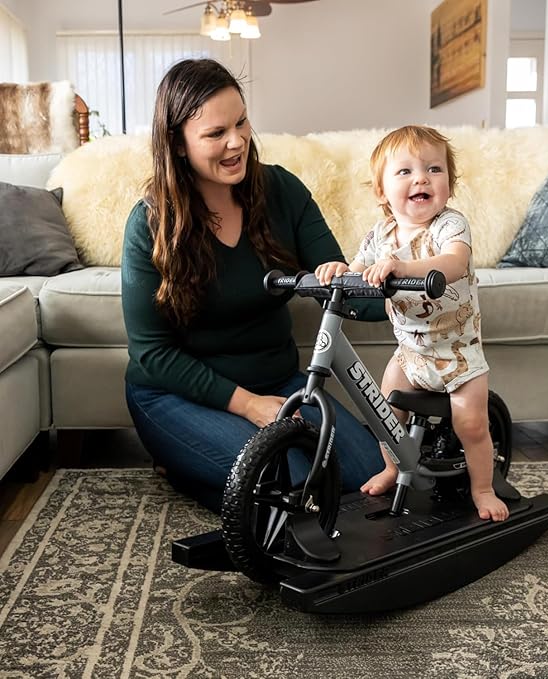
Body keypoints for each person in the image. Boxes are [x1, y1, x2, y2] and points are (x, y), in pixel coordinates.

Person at [121, 58, 383, 513]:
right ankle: (185, 465)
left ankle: (208, 470)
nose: (237, 141)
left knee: (368, 476)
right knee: (291, 487)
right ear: (178, 144)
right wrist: (247, 406)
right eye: (216, 133)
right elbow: (152, 354)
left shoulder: (282, 190)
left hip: (278, 382)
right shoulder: (149, 224)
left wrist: (398, 289)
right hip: (177, 395)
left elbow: (340, 285)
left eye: (241, 122)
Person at [316, 125, 509, 522]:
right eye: (405, 171)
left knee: (471, 424)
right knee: (384, 412)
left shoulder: (450, 225)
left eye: (434, 169)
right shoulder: (380, 235)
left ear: (450, 185)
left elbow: (454, 262)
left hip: (458, 354)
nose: (421, 178)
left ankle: (483, 488)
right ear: (381, 191)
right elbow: (358, 270)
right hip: (410, 353)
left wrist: (403, 268)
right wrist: (340, 270)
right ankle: (392, 468)